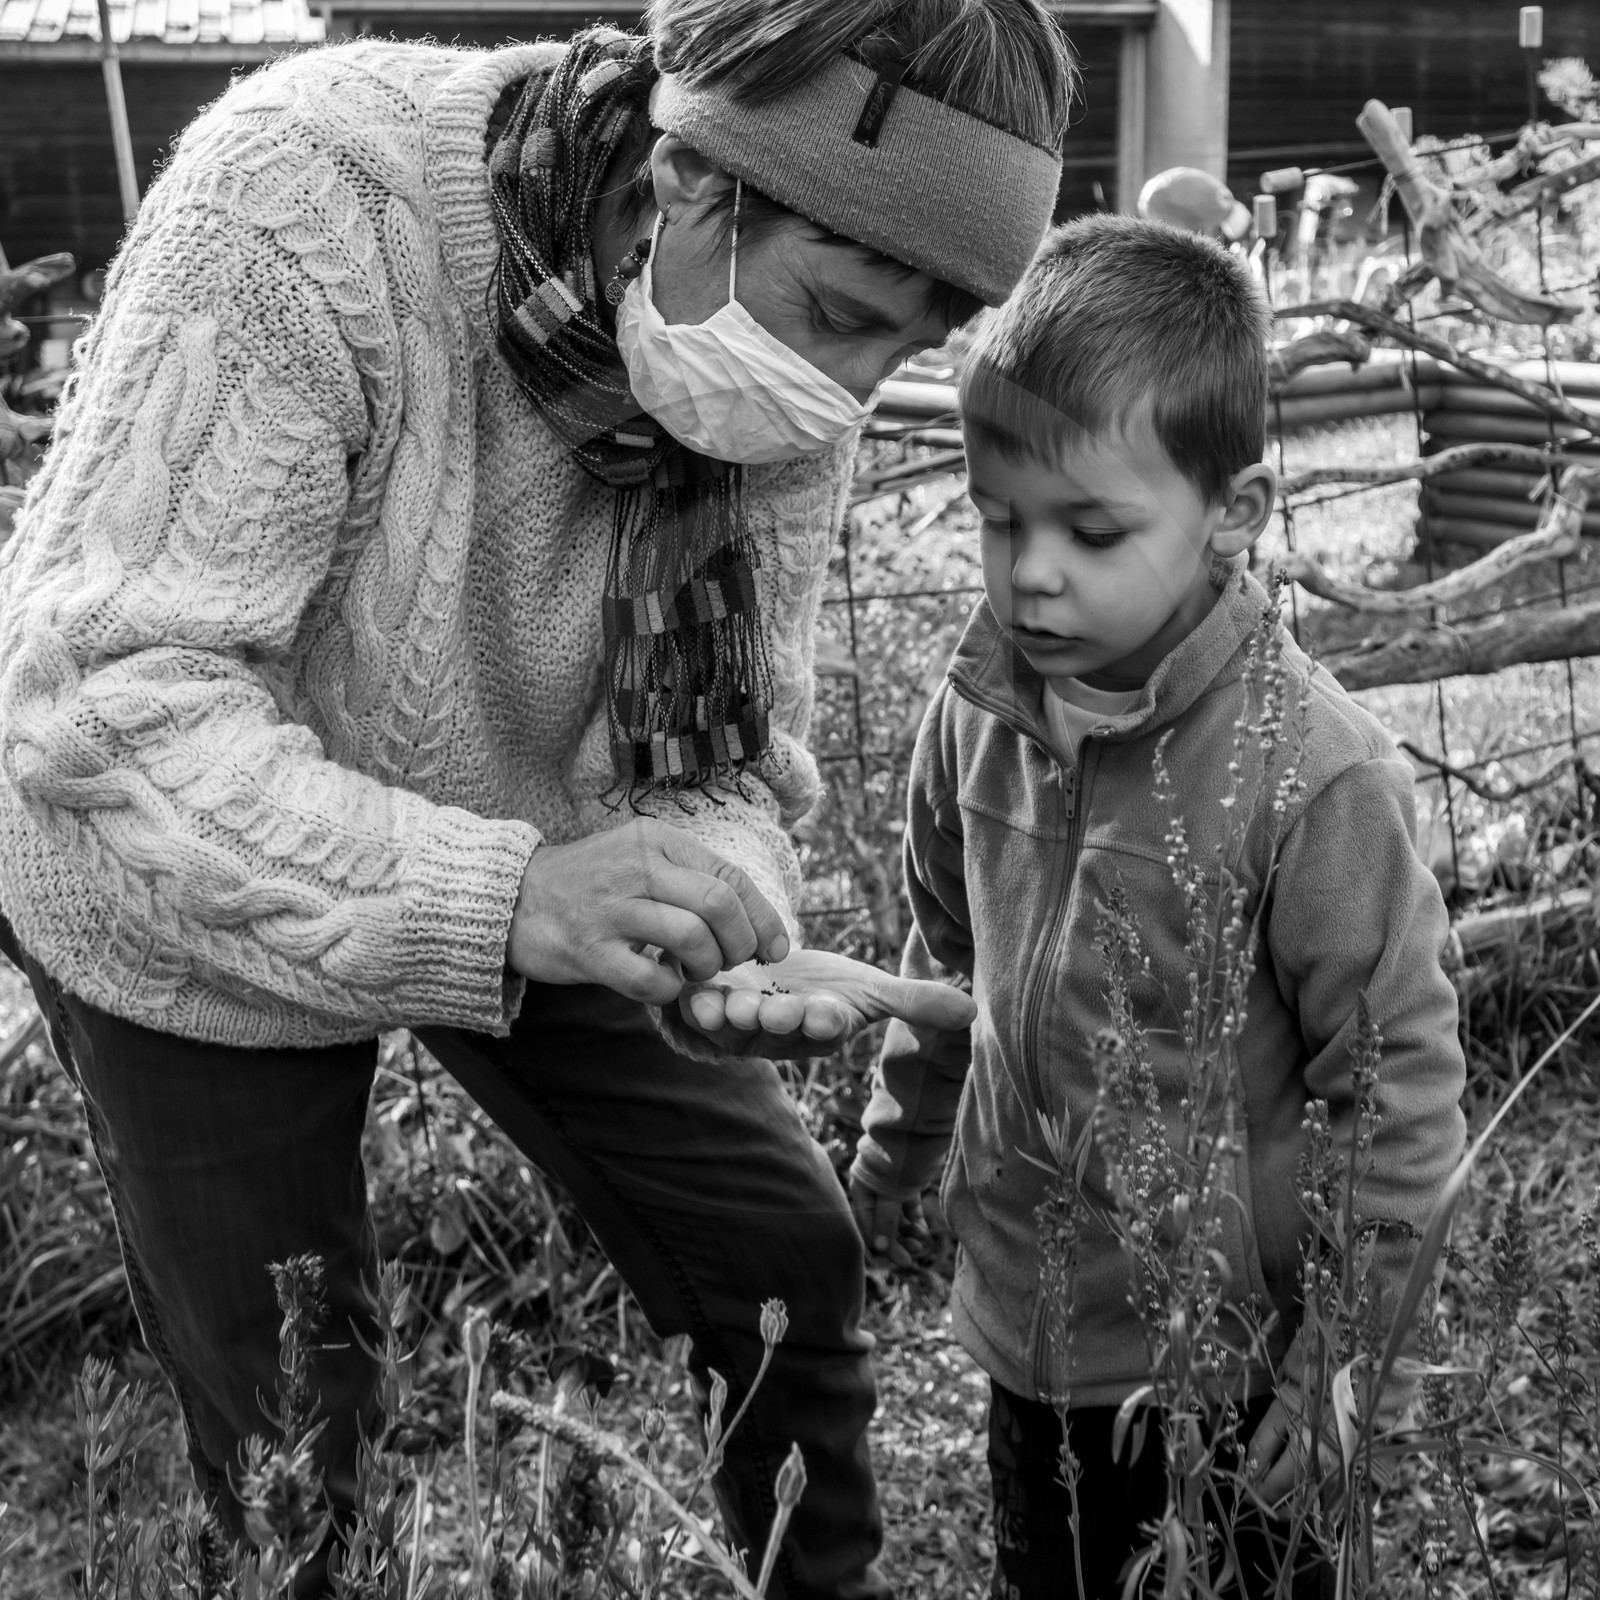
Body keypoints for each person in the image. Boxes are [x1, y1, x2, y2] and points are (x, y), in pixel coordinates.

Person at [0, 3, 1078, 1594]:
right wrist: (512, 902)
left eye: (908, 345)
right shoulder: (308, 207)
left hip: (537, 850)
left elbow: (730, 750)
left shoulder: (761, 369)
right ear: (695, 183)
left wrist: (725, 914)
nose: (850, 390)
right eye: (843, 316)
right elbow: (102, 696)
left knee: (781, 1244)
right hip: (176, 865)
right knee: (298, 1407)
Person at [847, 215, 1467, 1599]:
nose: (1033, 572)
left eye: (1092, 528)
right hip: (1030, 1320)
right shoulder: (976, 718)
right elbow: (945, 961)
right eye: (998, 519)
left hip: (1239, 1369)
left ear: (1231, 514)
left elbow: (1397, 1083)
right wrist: (894, 1158)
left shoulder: (1312, 776)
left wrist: (1347, 1361)